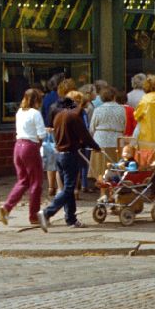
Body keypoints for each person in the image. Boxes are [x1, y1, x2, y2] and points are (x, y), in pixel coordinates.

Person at [38, 91, 101, 231]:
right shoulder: (74, 117)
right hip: (70, 155)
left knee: (68, 188)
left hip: (59, 154)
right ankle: (47, 212)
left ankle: (71, 219)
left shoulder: (59, 116)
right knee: (68, 189)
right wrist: (96, 147)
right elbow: (84, 135)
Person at [0, 88, 45, 227]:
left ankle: (7, 206)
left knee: (23, 181)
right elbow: (41, 135)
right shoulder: (35, 113)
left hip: (18, 147)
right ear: (36, 100)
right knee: (36, 182)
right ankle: (33, 216)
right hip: (30, 148)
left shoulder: (20, 112)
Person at [88, 86, 127, 181]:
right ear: (114, 96)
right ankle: (113, 189)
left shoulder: (98, 110)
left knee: (100, 169)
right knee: (115, 168)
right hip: (116, 141)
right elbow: (124, 126)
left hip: (100, 141)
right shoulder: (121, 109)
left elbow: (92, 128)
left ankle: (103, 190)